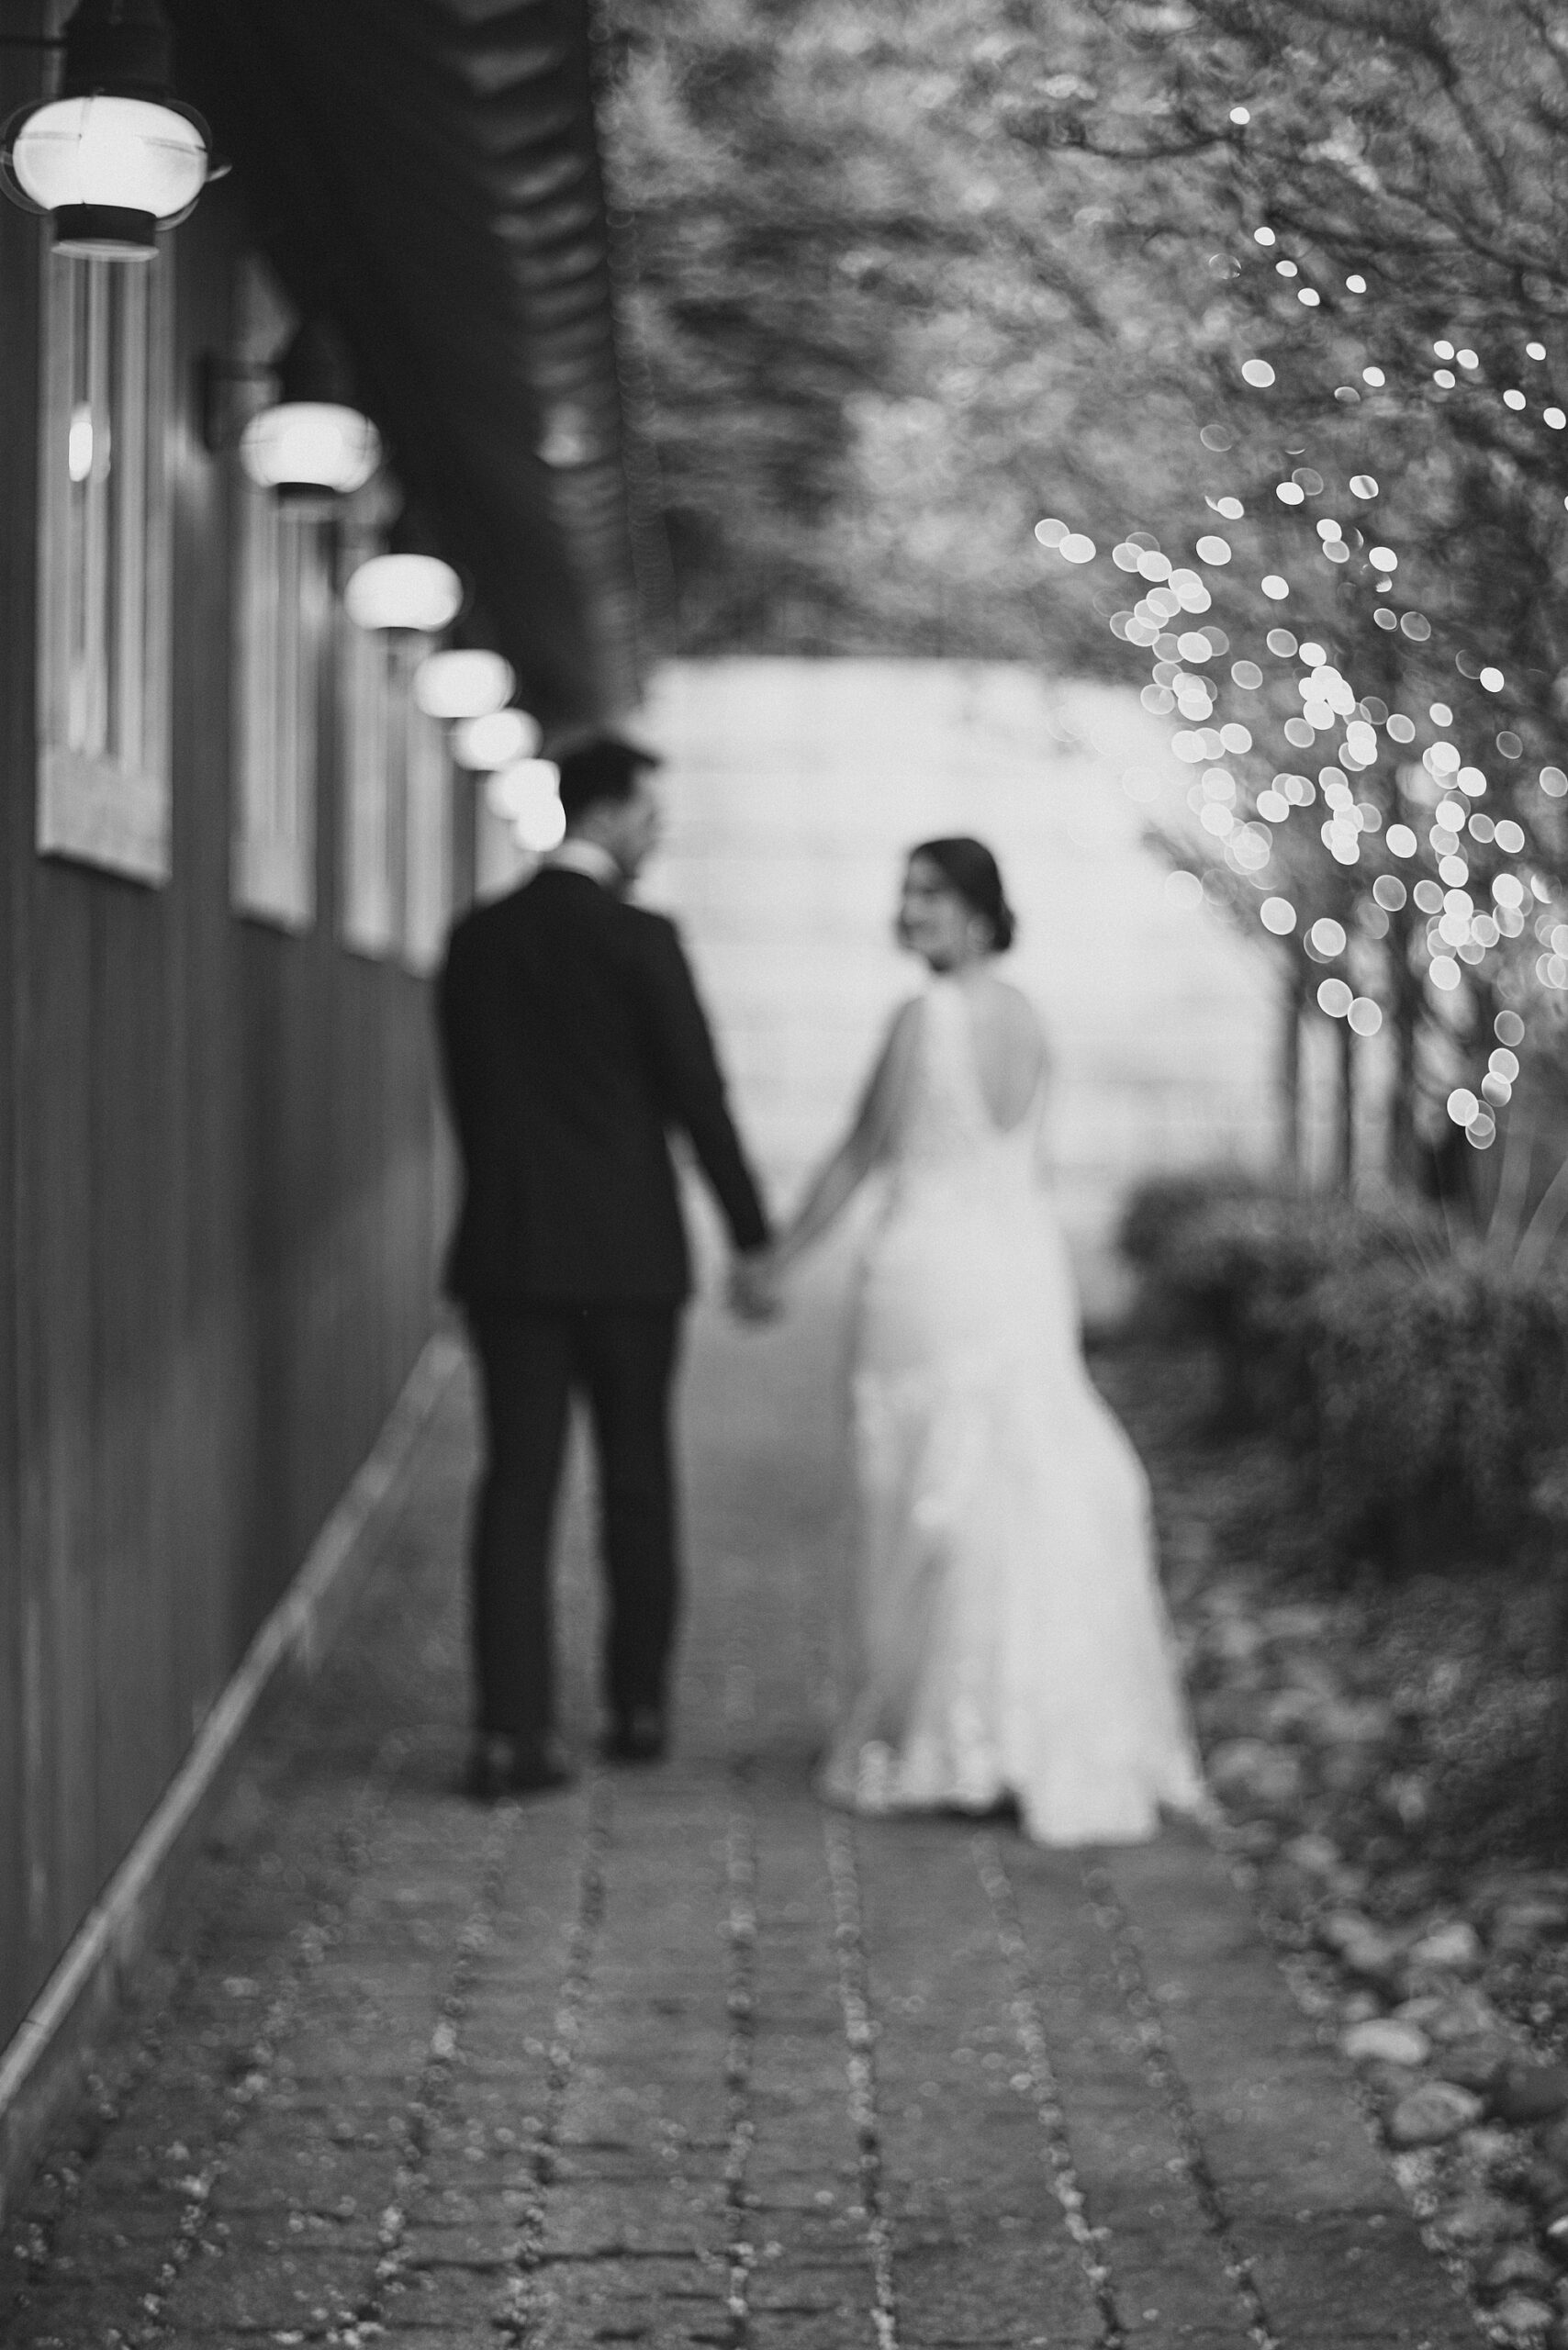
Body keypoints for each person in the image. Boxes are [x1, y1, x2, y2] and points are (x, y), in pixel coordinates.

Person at [763, 837, 1205, 1844]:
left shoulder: (924, 1017)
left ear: (974, 911)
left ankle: (950, 1723)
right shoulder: (1032, 1019)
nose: (908, 909)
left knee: (923, 1486)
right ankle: (1028, 1720)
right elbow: (1025, 1167)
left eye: (927, 893)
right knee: (1018, 1479)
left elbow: (859, 1155)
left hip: (928, 1273)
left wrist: (776, 1258)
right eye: (906, 889)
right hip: (1016, 1270)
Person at [435, 737, 774, 1798]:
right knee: (636, 1481)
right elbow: (697, 1097)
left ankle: (510, 1731)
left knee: (516, 1487)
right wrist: (751, 1233)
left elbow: (470, 1098)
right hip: (629, 1260)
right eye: (648, 813)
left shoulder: (477, 939)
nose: (656, 831)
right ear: (610, 812)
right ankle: (634, 1708)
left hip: (513, 1253)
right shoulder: (642, 941)